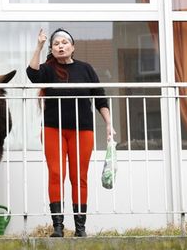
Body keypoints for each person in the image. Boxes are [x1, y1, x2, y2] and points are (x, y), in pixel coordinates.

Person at [26, 28, 115, 237]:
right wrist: (39, 46)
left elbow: (100, 97)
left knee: (79, 177)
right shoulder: (48, 69)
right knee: (56, 174)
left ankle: (80, 228)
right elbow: (32, 74)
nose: (60, 46)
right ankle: (57, 227)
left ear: (72, 47)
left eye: (65, 42)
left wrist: (109, 124)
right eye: (56, 43)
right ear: (52, 49)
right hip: (52, 129)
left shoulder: (85, 69)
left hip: (82, 130)